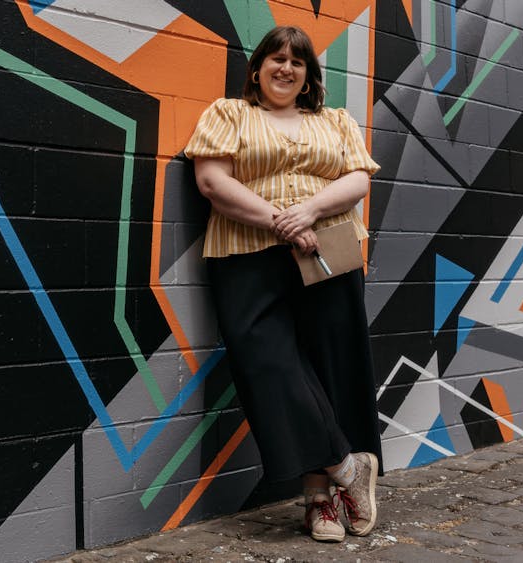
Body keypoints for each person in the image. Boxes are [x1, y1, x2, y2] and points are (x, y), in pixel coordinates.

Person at [183, 26, 383, 542]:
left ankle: (320, 503)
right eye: (276, 58)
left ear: (309, 76)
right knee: (267, 361)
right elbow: (212, 181)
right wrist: (279, 220)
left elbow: (358, 179)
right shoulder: (228, 114)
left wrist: (309, 212)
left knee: (330, 369)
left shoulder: (336, 121)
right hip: (245, 253)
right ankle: (346, 467)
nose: (285, 68)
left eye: (297, 62)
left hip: (327, 250)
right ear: (257, 69)